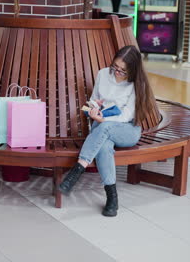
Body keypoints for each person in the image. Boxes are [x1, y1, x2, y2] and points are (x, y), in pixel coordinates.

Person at [58, 45, 156, 217]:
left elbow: (126, 116)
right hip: (102, 127)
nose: (117, 72)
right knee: (104, 147)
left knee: (104, 128)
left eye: (122, 71)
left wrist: (103, 120)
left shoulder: (136, 83)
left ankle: (78, 169)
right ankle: (112, 198)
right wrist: (94, 107)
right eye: (115, 67)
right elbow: (94, 99)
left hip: (127, 130)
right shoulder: (103, 74)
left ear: (132, 70)